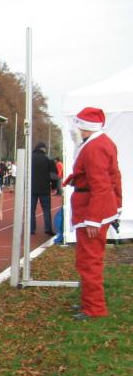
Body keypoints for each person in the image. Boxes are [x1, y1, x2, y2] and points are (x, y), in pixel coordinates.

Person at [62, 107, 122, 320]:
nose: (75, 130)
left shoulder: (95, 147)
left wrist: (94, 219)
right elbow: (114, 177)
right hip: (92, 208)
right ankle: (89, 303)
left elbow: (101, 184)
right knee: (88, 260)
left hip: (90, 209)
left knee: (89, 261)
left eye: (77, 126)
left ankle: (94, 308)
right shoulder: (101, 143)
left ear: (85, 127)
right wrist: (116, 205)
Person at [30, 142, 57, 235]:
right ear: (43, 149)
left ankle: (31, 229)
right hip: (44, 188)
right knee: (46, 209)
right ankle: (48, 228)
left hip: (32, 188)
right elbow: (53, 175)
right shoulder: (48, 159)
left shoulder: (29, 158)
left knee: (31, 210)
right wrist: (54, 186)